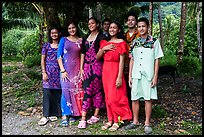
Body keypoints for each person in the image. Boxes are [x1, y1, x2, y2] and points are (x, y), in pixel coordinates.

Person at [124, 17, 164, 134]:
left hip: (149, 75)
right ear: (137, 27)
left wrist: (155, 76)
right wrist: (130, 76)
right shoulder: (134, 42)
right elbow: (132, 59)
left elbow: (157, 60)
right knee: (135, 98)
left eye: (143, 26)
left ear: (148, 27)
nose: (141, 28)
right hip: (136, 74)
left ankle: (147, 123)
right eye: (139, 26)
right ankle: (135, 121)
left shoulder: (154, 41)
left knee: (148, 98)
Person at [96, 21, 132, 131]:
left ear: (118, 30)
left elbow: (122, 61)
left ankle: (118, 120)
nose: (112, 29)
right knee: (108, 97)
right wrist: (103, 49)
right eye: (110, 27)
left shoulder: (121, 43)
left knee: (115, 97)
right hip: (106, 71)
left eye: (114, 28)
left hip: (116, 70)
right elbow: (97, 57)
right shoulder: (104, 43)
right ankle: (110, 119)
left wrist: (120, 77)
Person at [77, 17, 106, 129]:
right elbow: (83, 53)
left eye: (93, 23)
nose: (91, 25)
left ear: (97, 24)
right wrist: (81, 68)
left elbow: (103, 51)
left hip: (98, 67)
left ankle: (96, 114)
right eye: (89, 24)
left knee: (97, 90)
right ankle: (83, 117)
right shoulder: (85, 37)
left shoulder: (102, 37)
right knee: (87, 90)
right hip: (87, 67)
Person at [57, 21, 84, 127]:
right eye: (69, 28)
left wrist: (81, 69)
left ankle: (73, 114)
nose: (72, 30)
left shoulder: (81, 40)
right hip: (65, 71)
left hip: (77, 70)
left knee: (75, 91)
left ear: (76, 28)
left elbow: (82, 54)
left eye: (73, 27)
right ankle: (64, 115)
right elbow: (59, 56)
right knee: (65, 91)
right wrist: (62, 70)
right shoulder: (63, 40)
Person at [38, 27, 62, 126]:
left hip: (59, 73)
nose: (54, 34)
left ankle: (55, 113)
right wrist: (44, 72)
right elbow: (42, 60)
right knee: (47, 93)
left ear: (59, 33)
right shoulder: (46, 46)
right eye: (52, 33)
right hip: (48, 73)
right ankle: (45, 115)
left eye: (56, 32)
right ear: (50, 34)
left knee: (57, 93)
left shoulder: (61, 45)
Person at [124, 11, 140, 111]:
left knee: (135, 87)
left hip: (137, 63)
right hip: (125, 63)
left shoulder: (139, 34)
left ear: (136, 22)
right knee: (126, 87)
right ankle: (127, 109)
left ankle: (137, 111)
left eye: (133, 20)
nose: (130, 22)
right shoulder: (123, 35)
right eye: (129, 20)